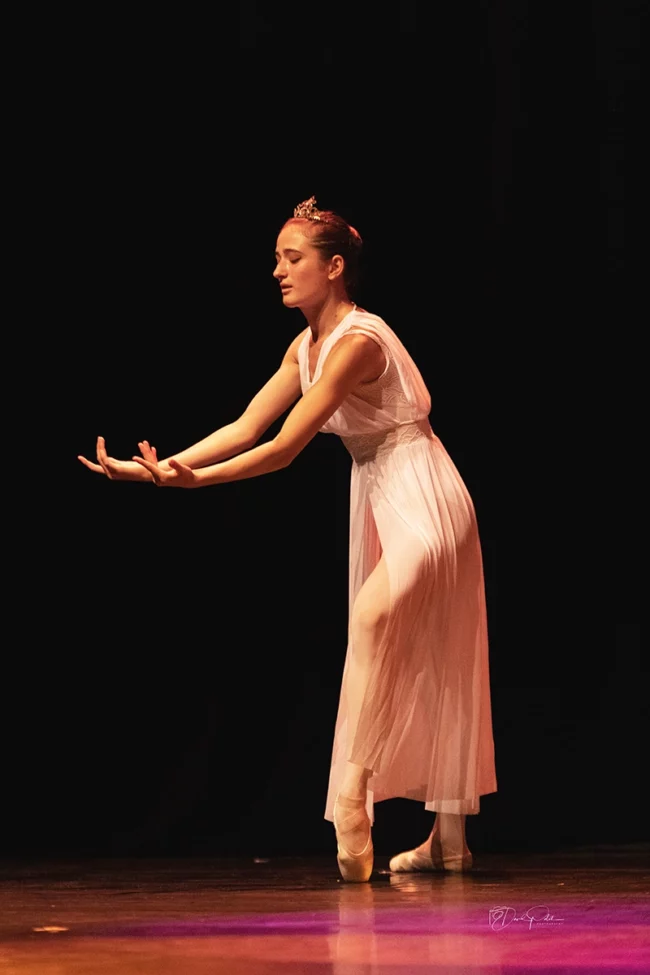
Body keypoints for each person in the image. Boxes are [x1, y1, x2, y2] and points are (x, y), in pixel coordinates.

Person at [79, 196, 497, 883]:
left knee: (381, 621)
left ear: (334, 268)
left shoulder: (358, 342)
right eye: (277, 257)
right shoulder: (305, 347)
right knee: (424, 645)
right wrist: (155, 469)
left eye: (292, 258)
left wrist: (194, 485)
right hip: (379, 488)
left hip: (423, 489)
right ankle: (449, 841)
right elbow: (247, 425)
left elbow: (281, 449)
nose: (277, 270)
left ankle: (351, 795)